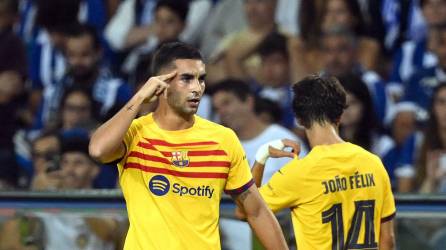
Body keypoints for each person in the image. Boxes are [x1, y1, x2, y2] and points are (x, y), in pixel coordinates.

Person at [89, 41, 287, 249]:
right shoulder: (136, 134)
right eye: (186, 79)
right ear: (160, 84)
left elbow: (256, 211)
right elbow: (98, 150)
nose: (197, 88)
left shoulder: (222, 139)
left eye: (201, 79)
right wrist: (139, 98)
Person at [238, 75, 396, 249]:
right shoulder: (373, 163)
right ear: (340, 114)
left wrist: (261, 157)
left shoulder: (299, 173)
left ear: (299, 119)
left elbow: (246, 212)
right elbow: (387, 240)